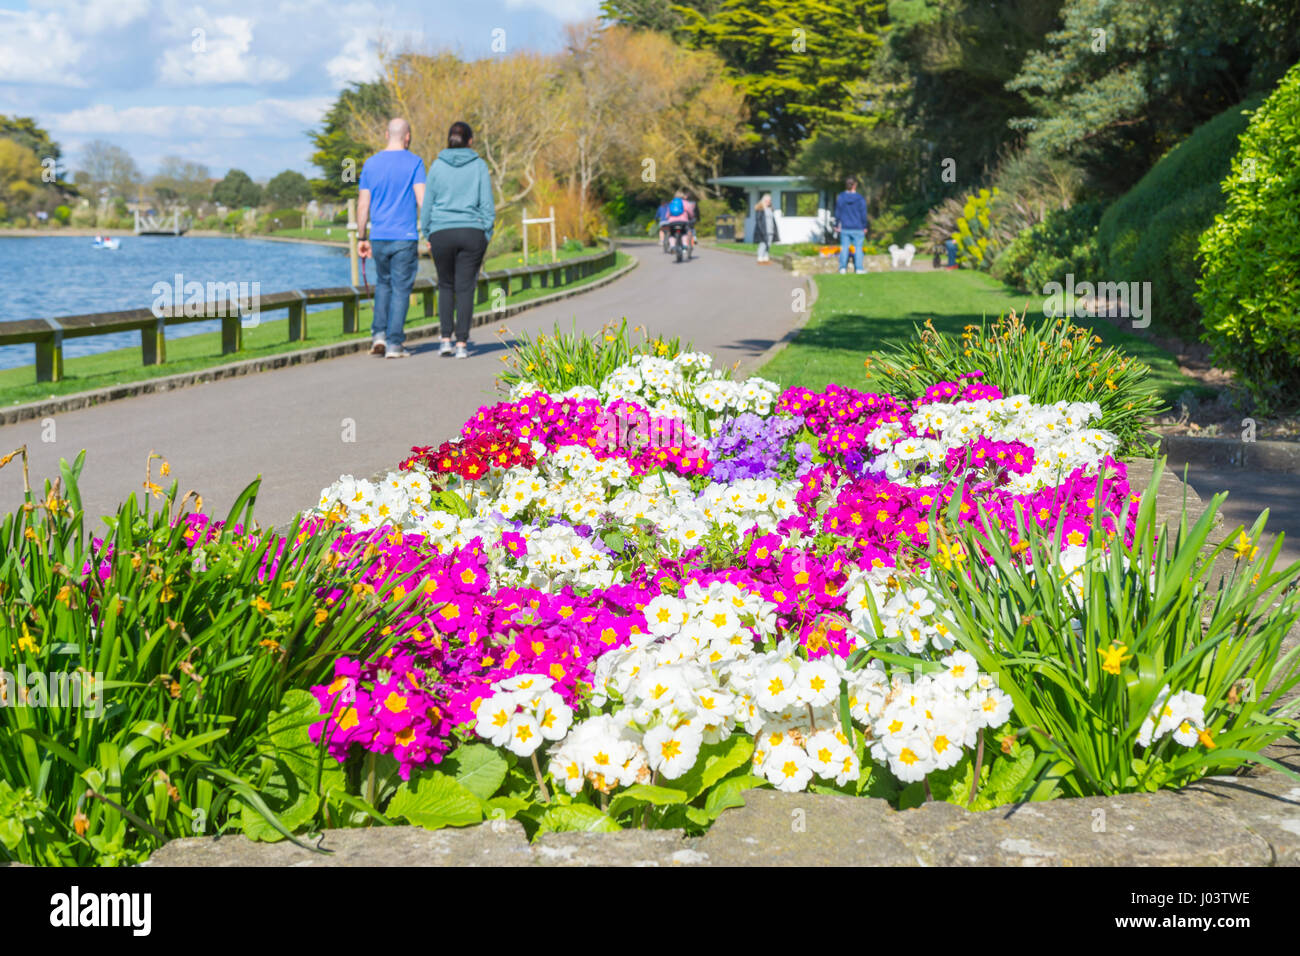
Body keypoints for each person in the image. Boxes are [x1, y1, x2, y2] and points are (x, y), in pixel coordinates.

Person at [419, 121, 495, 359]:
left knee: (445, 285)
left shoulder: (437, 166)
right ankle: (462, 342)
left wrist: (427, 231)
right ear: (470, 141)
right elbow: (487, 205)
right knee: (465, 288)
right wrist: (486, 234)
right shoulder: (479, 166)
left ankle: (444, 340)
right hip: (472, 231)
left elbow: (428, 204)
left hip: (441, 231)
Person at [357, 117, 426, 359]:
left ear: (387, 135)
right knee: (401, 289)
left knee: (383, 285)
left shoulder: (370, 164)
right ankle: (395, 343)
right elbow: (422, 200)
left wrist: (361, 236)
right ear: (407, 137)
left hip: (379, 236)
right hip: (404, 236)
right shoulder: (415, 162)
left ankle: (378, 335)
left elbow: (363, 204)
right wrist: (429, 230)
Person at [834, 177, 869, 275]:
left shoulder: (841, 197)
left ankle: (842, 269)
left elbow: (838, 212)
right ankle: (859, 268)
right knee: (858, 248)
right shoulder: (860, 198)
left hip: (845, 227)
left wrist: (836, 224)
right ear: (855, 185)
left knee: (844, 248)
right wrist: (865, 226)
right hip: (858, 227)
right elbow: (863, 213)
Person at [753, 193, 778, 264]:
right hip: (763, 230)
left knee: (768, 245)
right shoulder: (760, 209)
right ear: (763, 200)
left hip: (770, 230)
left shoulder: (770, 209)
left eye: (769, 201)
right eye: (767, 201)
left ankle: (765, 258)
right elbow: (758, 221)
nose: (768, 202)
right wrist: (762, 230)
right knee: (763, 244)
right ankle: (760, 258)